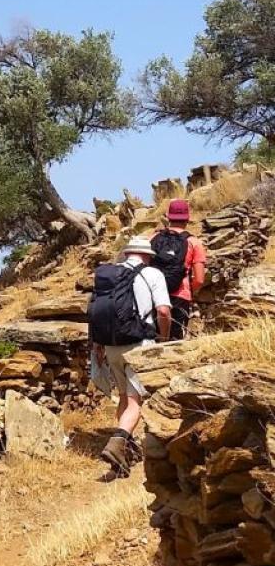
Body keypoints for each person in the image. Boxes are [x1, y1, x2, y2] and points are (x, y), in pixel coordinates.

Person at [89, 236, 172, 477]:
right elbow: (164, 311)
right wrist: (163, 339)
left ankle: (125, 454)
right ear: (147, 255)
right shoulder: (153, 274)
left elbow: (96, 309)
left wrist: (97, 344)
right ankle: (117, 443)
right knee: (135, 402)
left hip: (111, 344)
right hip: (139, 345)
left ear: (127, 254)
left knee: (124, 398)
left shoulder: (108, 276)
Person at [150, 199, 207, 340]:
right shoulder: (194, 242)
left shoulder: (153, 238)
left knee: (153, 340)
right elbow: (199, 279)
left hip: (153, 295)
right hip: (180, 296)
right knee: (176, 342)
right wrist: (191, 291)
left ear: (168, 217)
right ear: (188, 218)